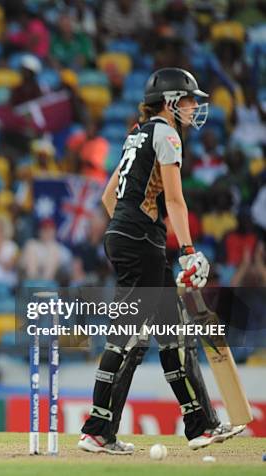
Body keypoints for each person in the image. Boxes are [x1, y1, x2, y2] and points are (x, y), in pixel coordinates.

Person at [78, 68, 243, 455]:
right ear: (170, 102)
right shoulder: (166, 134)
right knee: (135, 338)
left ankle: (195, 425)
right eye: (188, 101)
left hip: (125, 236)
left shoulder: (136, 133)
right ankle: (101, 429)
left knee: (164, 335)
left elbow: (108, 197)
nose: (192, 107)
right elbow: (174, 199)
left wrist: (132, 226)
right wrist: (188, 250)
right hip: (140, 242)